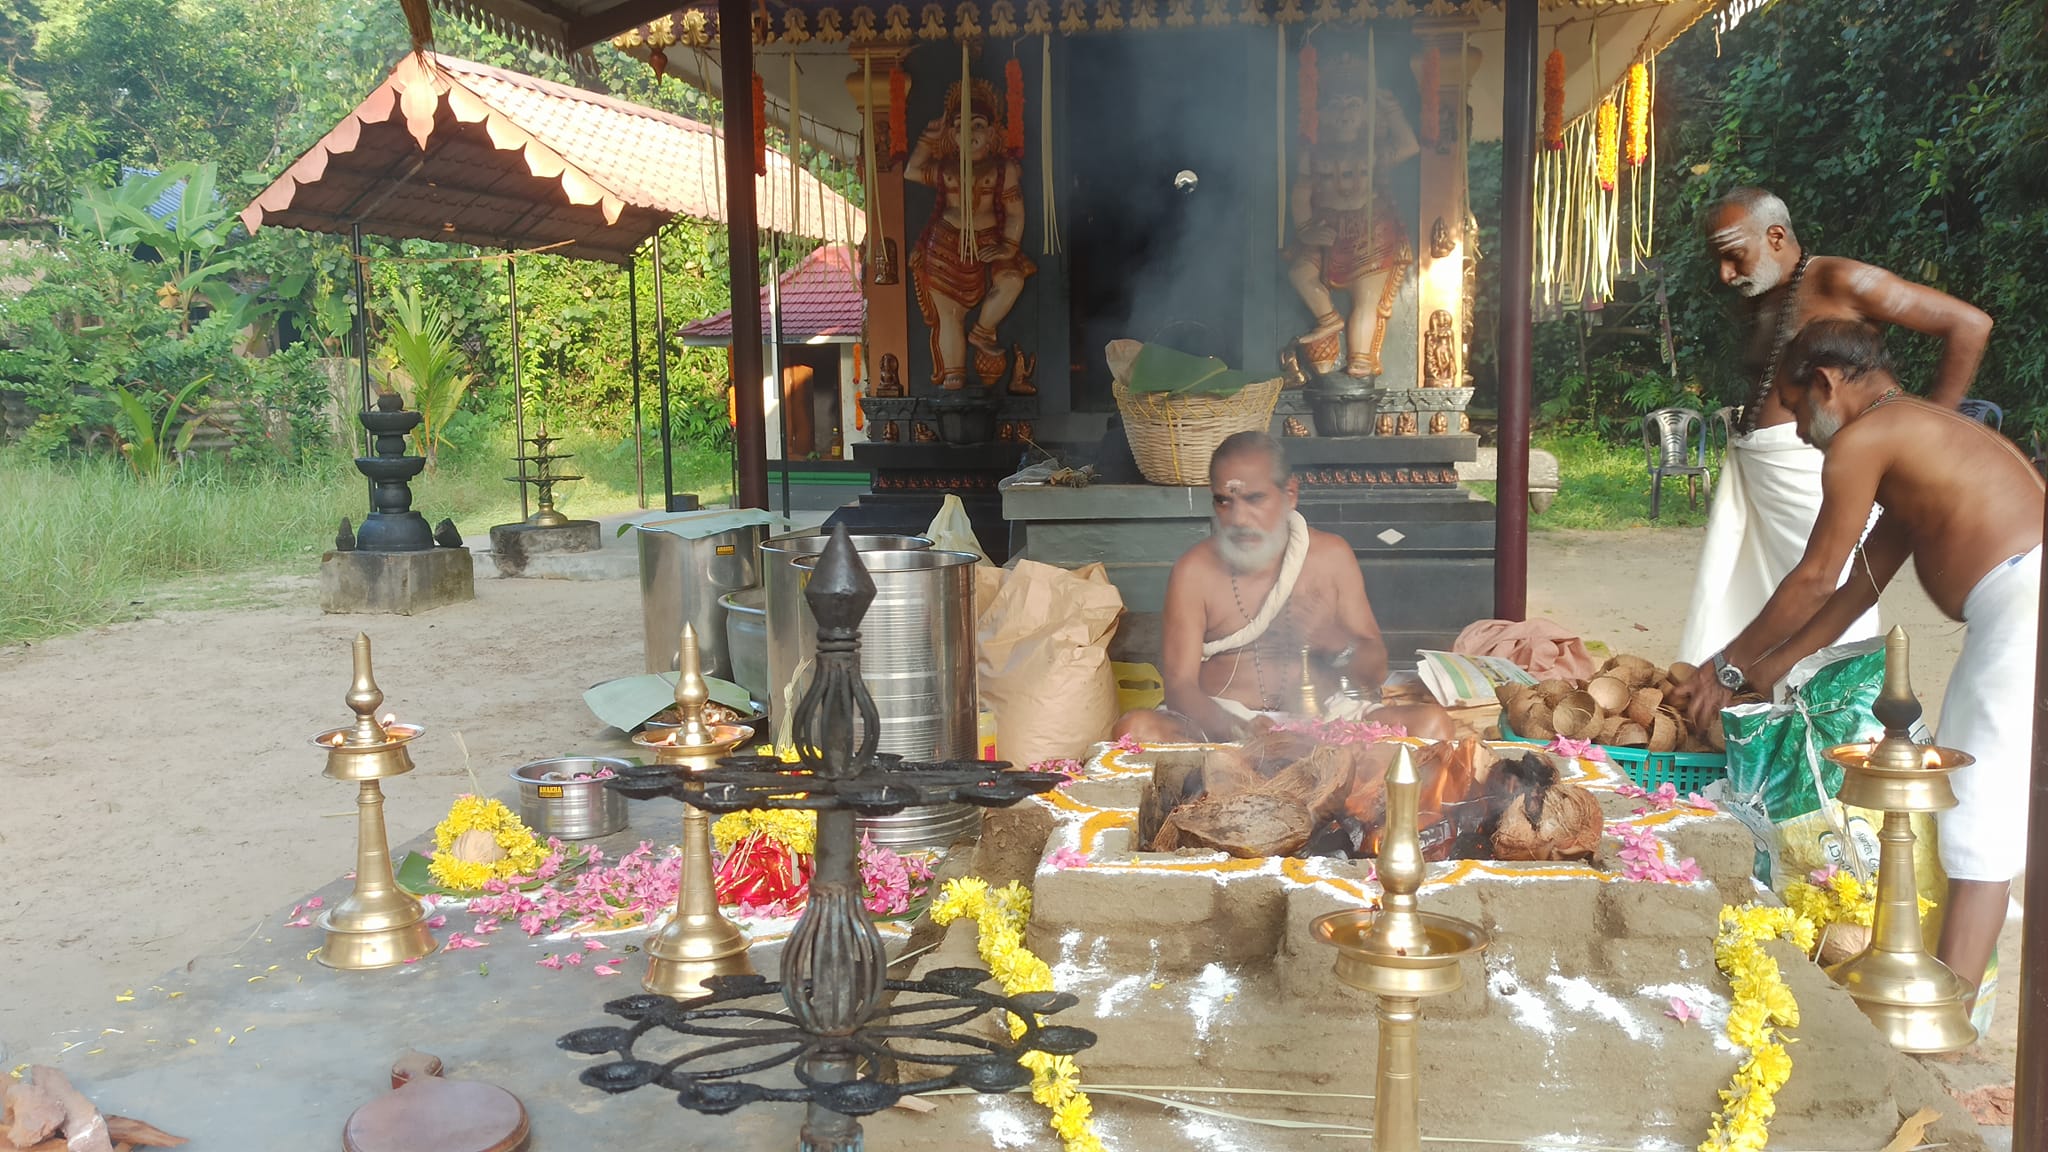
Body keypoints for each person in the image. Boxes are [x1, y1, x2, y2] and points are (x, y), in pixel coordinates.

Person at [1675, 320, 2040, 1003]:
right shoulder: (1911, 432)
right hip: (2019, 595)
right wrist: (1767, 667)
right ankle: (1944, 1002)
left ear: (1824, 384)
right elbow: (1860, 587)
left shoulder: (1863, 439)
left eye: (1794, 412)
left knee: (1973, 809)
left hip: (2022, 598)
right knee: (1982, 796)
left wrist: (1725, 666)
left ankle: (1945, 1018)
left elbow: (1815, 576)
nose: (1801, 434)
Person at [1677, 187, 1994, 674]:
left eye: (1733, 257)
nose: (1725, 274)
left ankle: (1838, 732)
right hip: (1758, 475)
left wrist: (1931, 431)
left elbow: (1969, 325)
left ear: (1776, 237)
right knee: (1740, 607)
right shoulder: (1765, 294)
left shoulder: (1838, 279)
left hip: (1812, 473)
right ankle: (1746, 715)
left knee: (1825, 598)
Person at [1113, 432, 1453, 744]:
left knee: (1432, 725)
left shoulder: (1331, 557)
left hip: (1323, 724)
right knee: (1134, 730)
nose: (1238, 518)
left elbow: (1375, 670)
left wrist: (1333, 641)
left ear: (1290, 493)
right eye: (1223, 501)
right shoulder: (1194, 571)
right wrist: (1236, 728)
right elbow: (1180, 687)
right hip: (1221, 726)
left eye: (1254, 499)